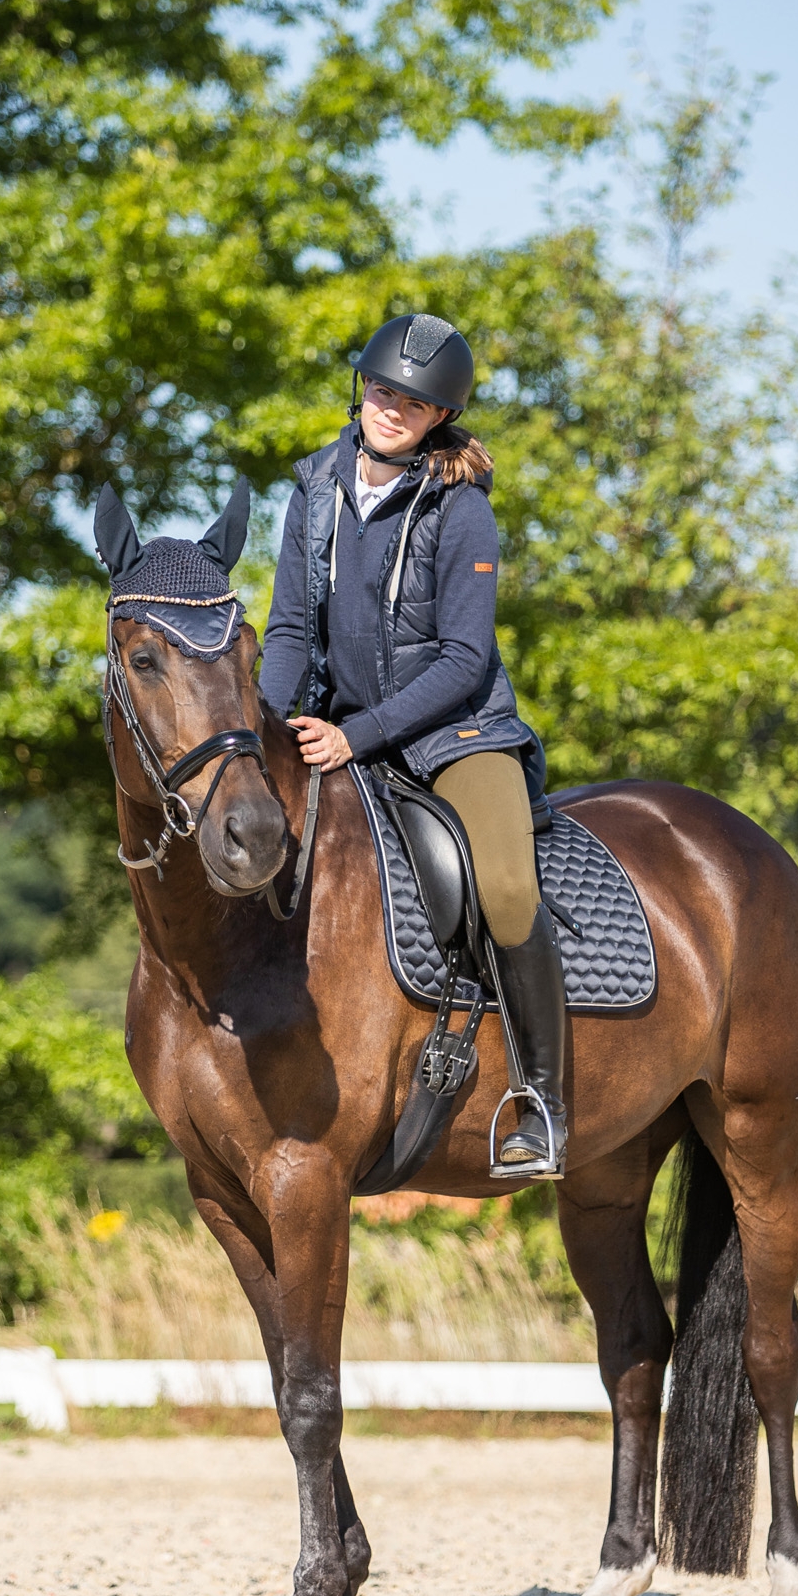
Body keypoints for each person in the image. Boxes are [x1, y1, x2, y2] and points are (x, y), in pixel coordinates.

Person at [258, 313, 568, 1178]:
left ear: (439, 418)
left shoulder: (461, 510)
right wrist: (263, 729)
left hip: (454, 734)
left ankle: (543, 1103)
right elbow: (289, 631)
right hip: (335, 729)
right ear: (361, 389)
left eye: (415, 402)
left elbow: (465, 660)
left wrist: (356, 736)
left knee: (506, 887)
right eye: (383, 390)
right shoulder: (314, 490)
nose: (392, 409)